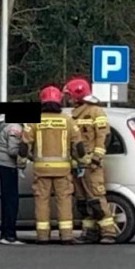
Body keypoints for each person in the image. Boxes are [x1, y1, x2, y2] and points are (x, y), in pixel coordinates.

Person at [21, 84, 85, 244]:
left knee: (42, 201)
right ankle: (67, 236)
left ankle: (42, 236)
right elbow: (79, 146)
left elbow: (24, 145)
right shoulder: (68, 120)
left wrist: (21, 163)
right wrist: (81, 163)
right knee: (64, 201)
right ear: (59, 101)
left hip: (41, 170)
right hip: (63, 170)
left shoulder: (33, 119)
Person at [64, 76, 117, 244]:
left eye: (70, 95)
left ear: (78, 95)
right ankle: (90, 232)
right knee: (82, 201)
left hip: (91, 166)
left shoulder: (96, 112)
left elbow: (104, 136)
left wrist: (96, 158)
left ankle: (108, 232)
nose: (68, 99)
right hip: (78, 165)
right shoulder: (73, 114)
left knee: (96, 198)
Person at [0, 120, 26, 245]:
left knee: (7, 200)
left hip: (3, 164)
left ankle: (6, 234)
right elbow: (13, 150)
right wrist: (27, 153)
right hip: (8, 165)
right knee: (11, 201)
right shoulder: (15, 128)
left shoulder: (9, 126)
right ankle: (9, 235)